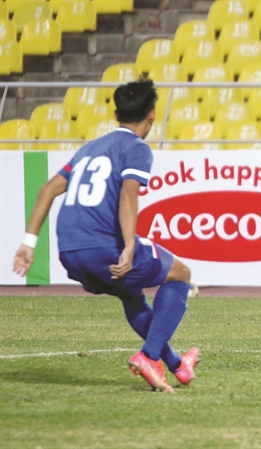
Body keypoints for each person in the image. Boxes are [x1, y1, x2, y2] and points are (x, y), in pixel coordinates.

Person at [13, 79, 199, 391]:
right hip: (102, 245)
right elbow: (129, 194)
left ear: (116, 113)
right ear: (152, 115)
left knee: (130, 294)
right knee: (180, 274)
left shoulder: (90, 149)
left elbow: (47, 190)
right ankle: (150, 357)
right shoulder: (137, 148)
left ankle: (178, 366)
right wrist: (128, 245)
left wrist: (29, 242)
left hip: (70, 253)